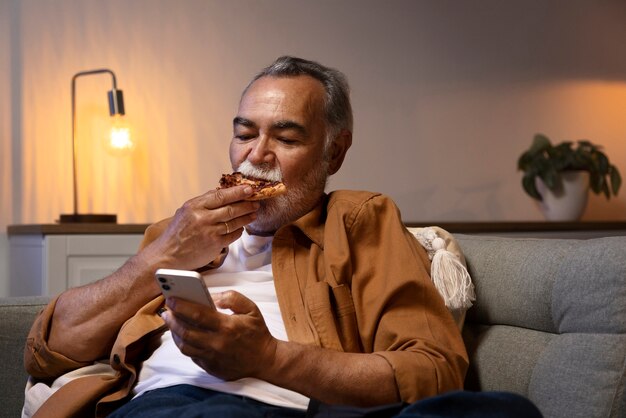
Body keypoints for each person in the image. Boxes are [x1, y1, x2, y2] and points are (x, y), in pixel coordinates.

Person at [24, 56, 541, 418]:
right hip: (182, 404)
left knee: (503, 411)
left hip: (317, 409)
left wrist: (267, 358)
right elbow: (50, 353)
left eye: (287, 137)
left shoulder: (359, 220)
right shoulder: (175, 233)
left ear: (334, 153)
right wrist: (162, 255)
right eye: (245, 134)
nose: (257, 155)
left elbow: (433, 371)